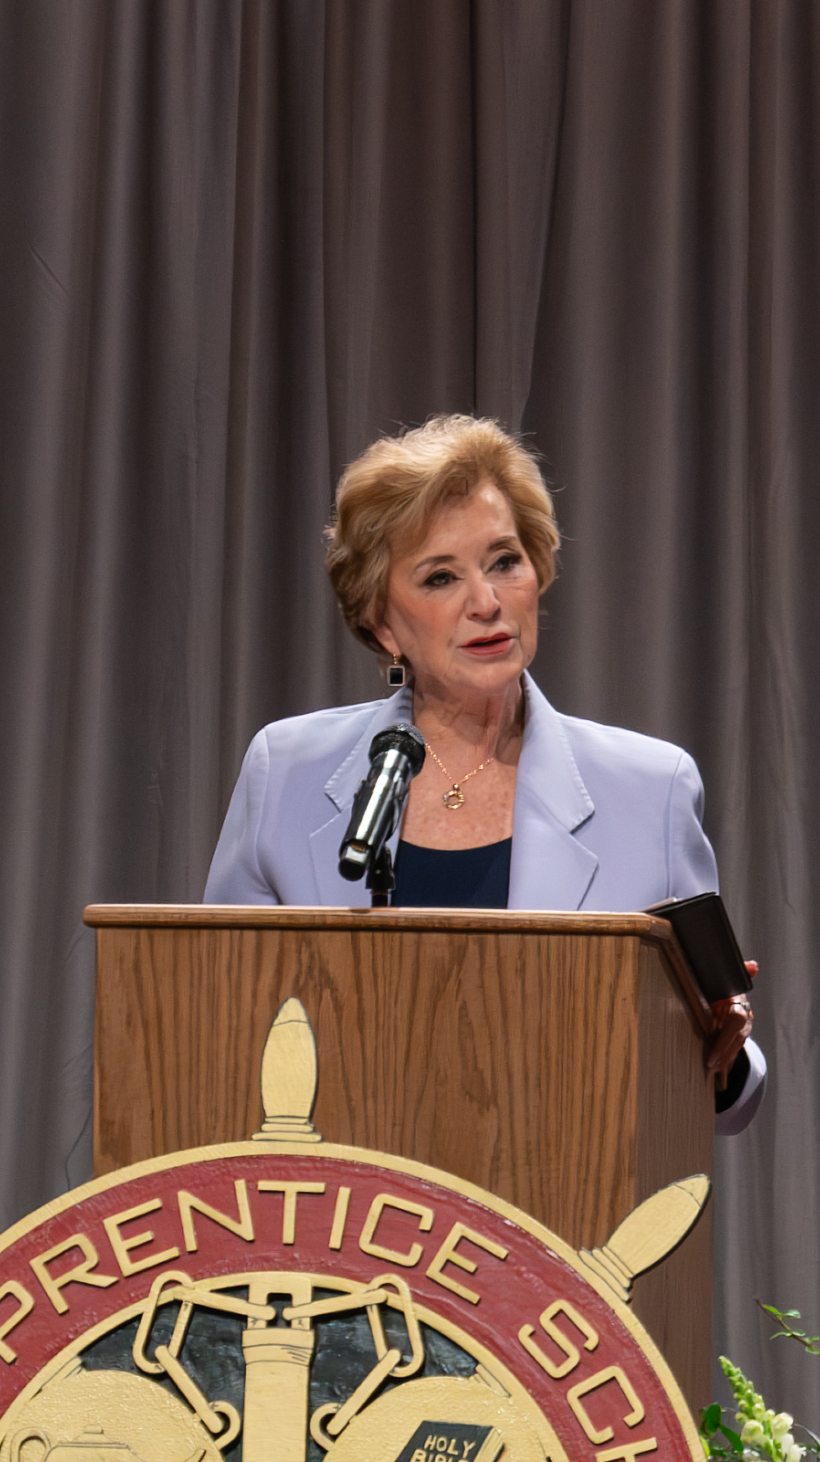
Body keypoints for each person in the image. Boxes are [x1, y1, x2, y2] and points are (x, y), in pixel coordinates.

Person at [202, 414, 769, 1126]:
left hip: (561, 1201)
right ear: (382, 622)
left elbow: (727, 1100)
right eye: (441, 576)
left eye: (504, 561)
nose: (487, 602)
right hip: (338, 1209)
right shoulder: (284, 770)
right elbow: (216, 1025)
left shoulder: (650, 788)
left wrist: (721, 1052)